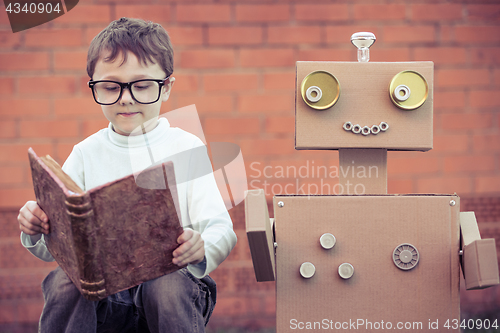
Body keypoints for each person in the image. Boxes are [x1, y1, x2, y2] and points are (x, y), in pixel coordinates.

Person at [17, 17, 237, 333]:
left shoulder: (185, 146)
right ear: (93, 85)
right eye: (110, 86)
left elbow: (220, 227)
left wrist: (201, 246)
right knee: (65, 282)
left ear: (167, 88)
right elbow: (59, 250)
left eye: (142, 85)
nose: (126, 97)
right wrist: (37, 229)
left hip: (171, 291)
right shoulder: (85, 153)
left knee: (165, 286)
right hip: (106, 297)